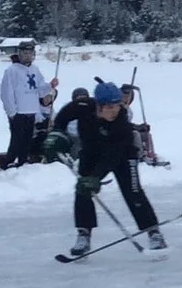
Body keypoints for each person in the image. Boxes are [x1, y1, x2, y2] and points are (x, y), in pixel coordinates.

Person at [67, 81, 163, 257]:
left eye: (117, 105)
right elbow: (64, 117)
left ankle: (153, 232)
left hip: (123, 155)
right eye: (110, 107)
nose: (115, 110)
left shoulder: (122, 122)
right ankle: (83, 234)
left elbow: (113, 155)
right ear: (98, 105)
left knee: (133, 192)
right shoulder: (84, 111)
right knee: (83, 189)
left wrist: (96, 177)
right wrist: (56, 133)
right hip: (92, 153)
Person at [0, 41, 52, 169]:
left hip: (31, 110)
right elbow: (6, 92)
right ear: (19, 54)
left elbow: (40, 90)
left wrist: (50, 86)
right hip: (18, 112)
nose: (27, 56)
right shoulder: (12, 70)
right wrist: (11, 111)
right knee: (16, 141)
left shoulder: (35, 69)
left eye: (30, 53)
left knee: (27, 141)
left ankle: (22, 164)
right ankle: (8, 164)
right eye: (25, 53)